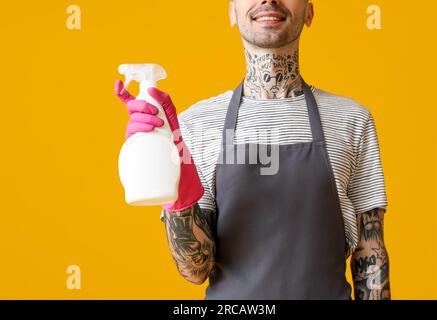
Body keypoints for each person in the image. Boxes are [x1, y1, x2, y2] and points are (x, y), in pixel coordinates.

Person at [115, 0, 390, 300]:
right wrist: (175, 181)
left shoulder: (352, 120)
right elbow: (195, 269)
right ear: (231, 12)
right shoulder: (196, 125)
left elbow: (370, 254)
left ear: (309, 12)